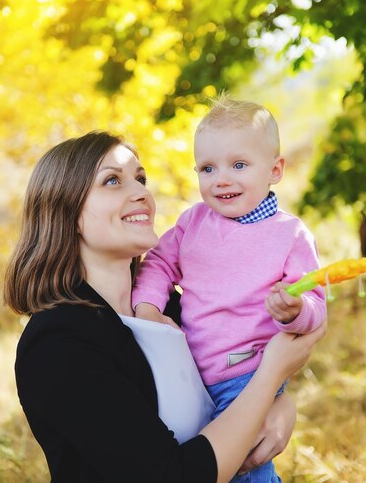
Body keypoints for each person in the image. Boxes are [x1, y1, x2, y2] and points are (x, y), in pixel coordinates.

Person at [4, 130, 326, 483]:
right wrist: (270, 378)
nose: (142, 192)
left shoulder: (172, 307)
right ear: (66, 212)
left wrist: (281, 406)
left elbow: (229, 378)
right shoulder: (58, 342)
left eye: (140, 179)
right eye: (112, 181)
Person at [133, 95, 327, 482]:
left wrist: (295, 310)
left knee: (246, 467)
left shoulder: (289, 235)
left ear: (275, 170)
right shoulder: (193, 222)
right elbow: (158, 263)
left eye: (239, 165)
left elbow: (315, 300)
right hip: (189, 370)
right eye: (207, 168)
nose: (221, 179)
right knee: (199, 457)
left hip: (247, 374)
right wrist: (148, 309)